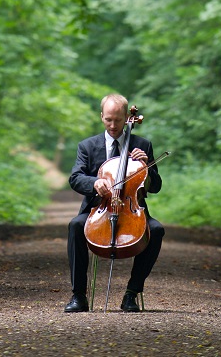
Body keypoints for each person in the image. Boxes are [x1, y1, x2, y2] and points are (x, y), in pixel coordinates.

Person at [64, 92, 164, 313]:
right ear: (101, 116)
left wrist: (146, 167)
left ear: (127, 117)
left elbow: (156, 186)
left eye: (118, 120)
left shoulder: (142, 146)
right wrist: (95, 182)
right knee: (75, 226)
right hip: (97, 210)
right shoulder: (87, 147)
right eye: (108, 119)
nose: (113, 125)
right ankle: (78, 296)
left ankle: (131, 294)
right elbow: (75, 177)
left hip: (133, 211)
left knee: (155, 230)